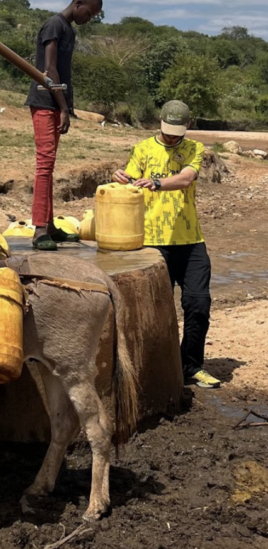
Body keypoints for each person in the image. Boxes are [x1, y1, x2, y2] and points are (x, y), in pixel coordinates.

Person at [113, 100, 220, 389]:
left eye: (178, 132)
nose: (172, 137)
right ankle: (153, 368)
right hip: (151, 242)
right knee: (157, 308)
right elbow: (131, 181)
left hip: (190, 240)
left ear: (188, 126)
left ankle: (191, 367)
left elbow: (186, 179)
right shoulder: (143, 149)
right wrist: (121, 177)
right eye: (168, 131)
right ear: (159, 122)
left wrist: (158, 184)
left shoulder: (194, 150)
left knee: (198, 304)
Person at [26, 0, 103, 250]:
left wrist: (67, 107)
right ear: (78, 3)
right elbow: (49, 69)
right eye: (89, 13)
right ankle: (38, 231)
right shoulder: (54, 25)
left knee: (50, 165)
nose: (89, 18)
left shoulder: (68, 30)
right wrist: (61, 107)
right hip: (45, 103)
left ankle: (49, 226)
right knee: (44, 165)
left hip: (56, 104)